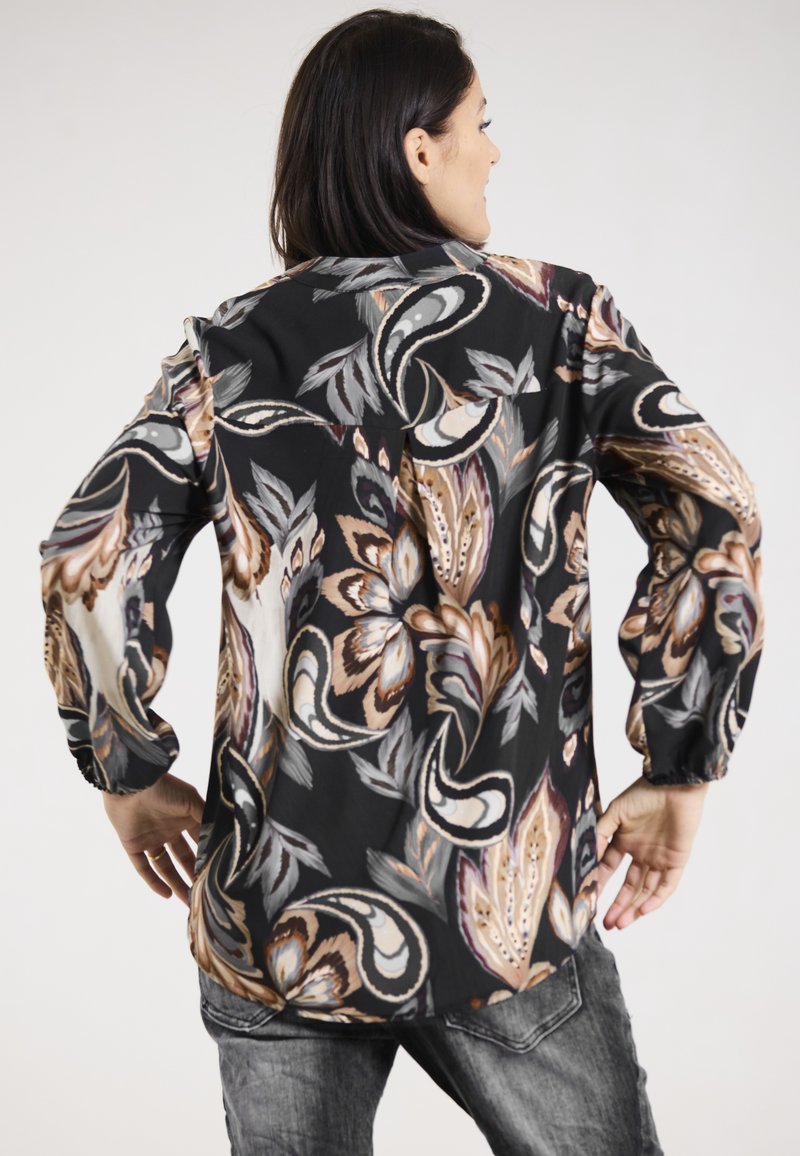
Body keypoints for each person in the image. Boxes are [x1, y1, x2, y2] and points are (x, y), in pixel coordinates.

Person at [38, 8, 764, 1155]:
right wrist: (679, 761)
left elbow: (89, 559)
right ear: (418, 149)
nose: (493, 152)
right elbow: (713, 507)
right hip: (502, 905)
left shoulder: (228, 353)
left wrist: (125, 769)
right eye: (480, 123)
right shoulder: (558, 324)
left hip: (280, 910)